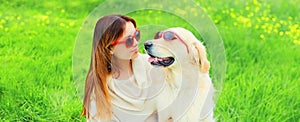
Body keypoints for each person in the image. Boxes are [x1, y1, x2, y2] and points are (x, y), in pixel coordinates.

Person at [81, 14, 161, 121]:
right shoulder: (99, 89)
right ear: (110, 48)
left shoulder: (151, 65)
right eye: (129, 41)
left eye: (137, 35)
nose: (136, 43)